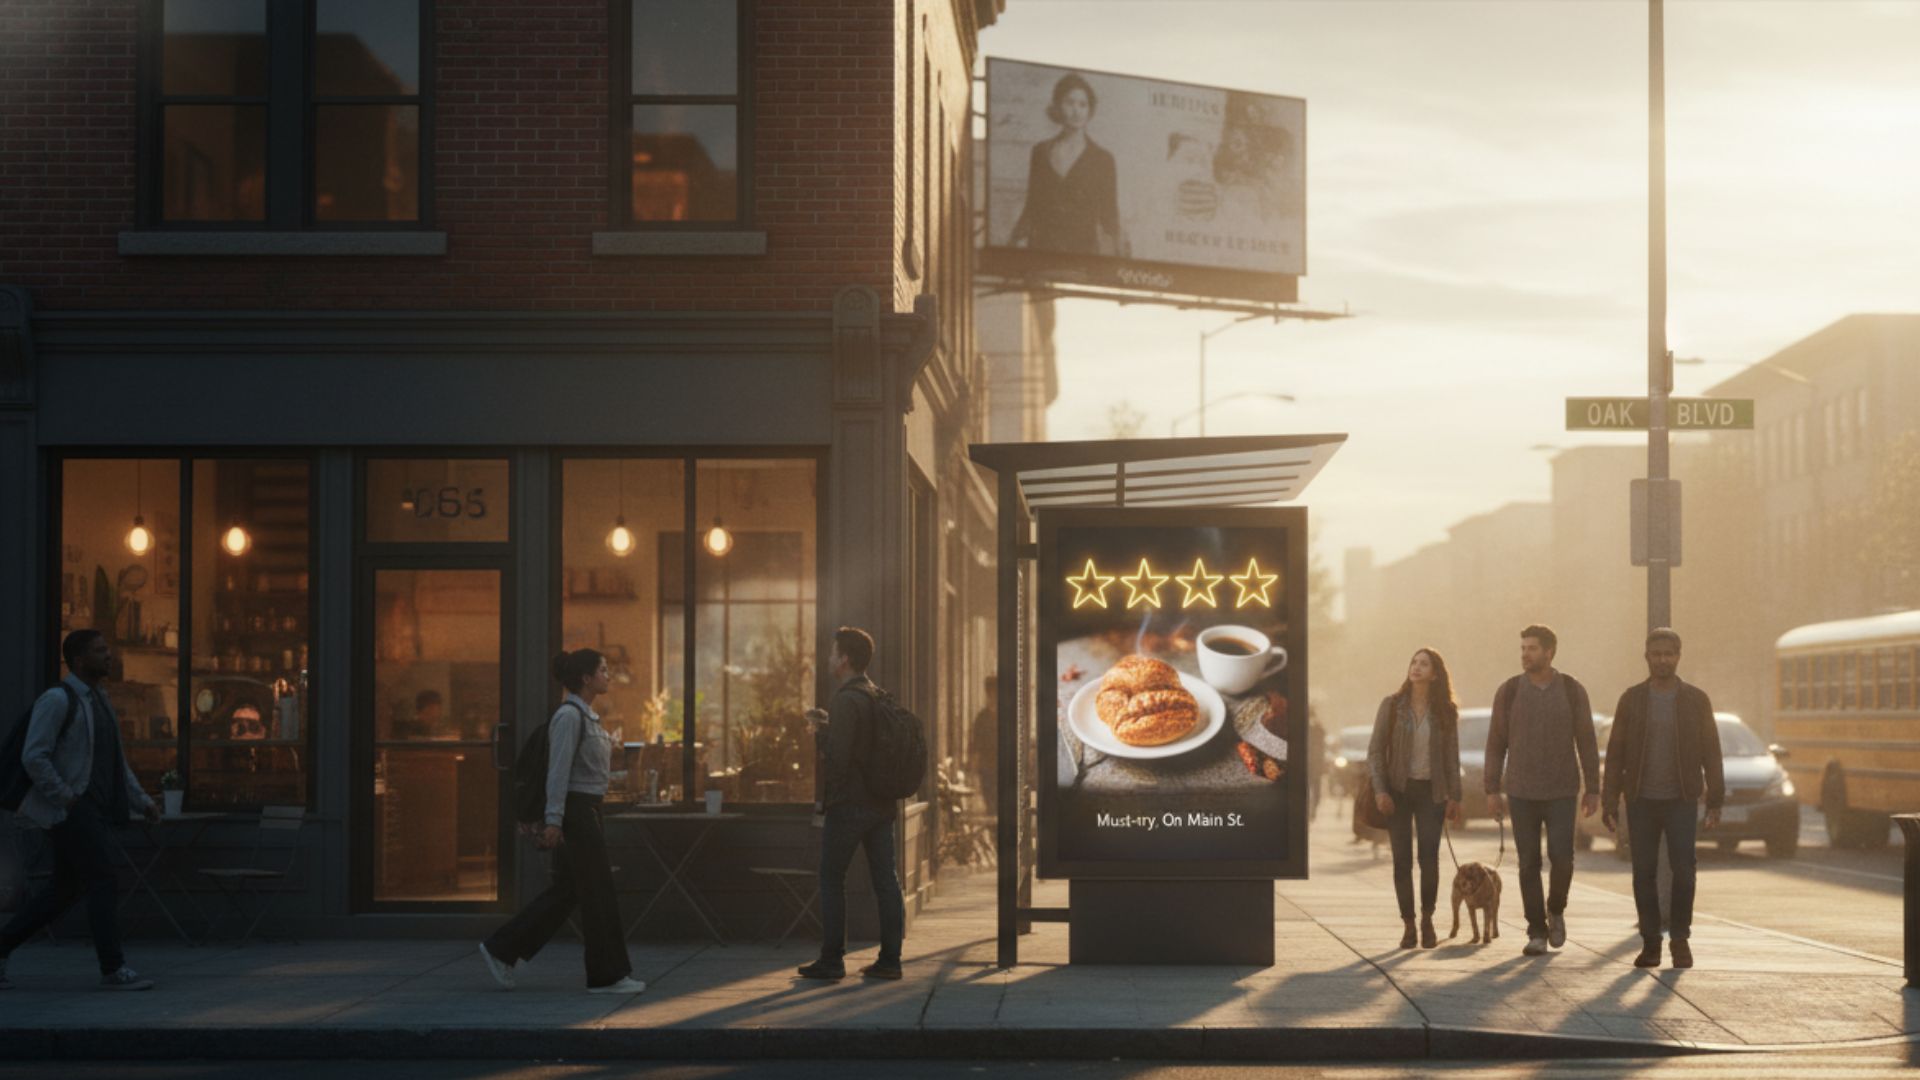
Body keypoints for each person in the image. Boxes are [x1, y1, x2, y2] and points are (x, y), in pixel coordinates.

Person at [0, 629, 160, 991]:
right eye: (100, 651)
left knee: (65, 888)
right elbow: (33, 756)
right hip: (72, 810)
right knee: (102, 878)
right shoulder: (57, 700)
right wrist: (65, 796)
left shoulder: (100, 700)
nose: (108, 656)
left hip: (94, 808)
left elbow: (116, 762)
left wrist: (142, 800)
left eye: (107, 649)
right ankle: (113, 968)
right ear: (78, 659)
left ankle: (3, 945)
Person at [478, 649, 645, 995]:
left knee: (570, 890)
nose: (608, 675)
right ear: (586, 678)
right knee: (598, 893)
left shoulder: (587, 717)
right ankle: (606, 976)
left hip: (588, 809)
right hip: (577, 812)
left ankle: (502, 948)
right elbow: (558, 772)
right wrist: (553, 820)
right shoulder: (569, 717)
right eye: (603, 670)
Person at [1602, 628, 1724, 969]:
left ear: (1678, 656)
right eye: (1656, 654)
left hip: (1681, 799)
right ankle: (1651, 943)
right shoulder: (1632, 700)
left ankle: (1680, 940)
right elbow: (1616, 753)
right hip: (1641, 800)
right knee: (1643, 872)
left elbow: (1712, 752)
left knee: (1684, 871)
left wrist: (1715, 800)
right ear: (1646, 657)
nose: (1662, 660)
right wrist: (1610, 801)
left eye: (1669, 654)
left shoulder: (1696, 700)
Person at [1484, 624, 1601, 958]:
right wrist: (1492, 789)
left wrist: (1593, 788)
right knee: (1528, 863)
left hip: (1562, 790)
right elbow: (1496, 742)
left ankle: (1556, 909)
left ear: (1549, 652)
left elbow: (1587, 740)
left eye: (1532, 648)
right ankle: (1536, 930)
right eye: (1523, 648)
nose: (1525, 654)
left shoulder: (1572, 690)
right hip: (1521, 791)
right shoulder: (1509, 691)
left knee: (1562, 859)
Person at [798, 626, 907, 982]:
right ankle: (890, 960)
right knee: (886, 881)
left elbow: (839, 758)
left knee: (831, 878)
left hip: (850, 805)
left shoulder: (846, 699)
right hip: (881, 804)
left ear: (844, 659)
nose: (829, 658)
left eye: (833, 653)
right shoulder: (876, 695)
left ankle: (832, 960)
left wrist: (822, 737)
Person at [1366, 648, 1463, 949]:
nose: (1416, 668)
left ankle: (1427, 919)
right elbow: (1375, 751)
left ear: (1435, 674)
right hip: (1398, 791)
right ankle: (1408, 924)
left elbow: (1451, 757)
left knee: (1429, 859)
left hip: (1431, 792)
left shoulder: (1445, 711)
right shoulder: (1392, 706)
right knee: (1401, 860)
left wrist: (1455, 796)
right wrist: (1381, 790)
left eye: (1424, 664)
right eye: (1414, 662)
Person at [1009, 72, 1125, 257]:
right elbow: (1032, 205)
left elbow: (1109, 216)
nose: (1076, 111)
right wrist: (1013, 243)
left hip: (1083, 255)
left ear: (1090, 111)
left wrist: (1120, 255)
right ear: (1058, 106)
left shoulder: (1103, 159)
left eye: (1083, 105)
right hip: (1042, 249)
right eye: (1070, 103)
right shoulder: (1040, 152)